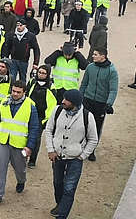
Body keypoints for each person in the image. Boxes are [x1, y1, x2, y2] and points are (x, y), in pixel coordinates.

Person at [45, 89, 98, 219]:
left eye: (66, 100)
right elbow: (48, 130)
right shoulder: (57, 111)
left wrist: (82, 156)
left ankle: (62, 215)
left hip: (75, 159)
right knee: (57, 183)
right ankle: (60, 205)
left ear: (74, 103)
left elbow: (93, 139)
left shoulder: (87, 117)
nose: (63, 101)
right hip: (57, 156)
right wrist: (51, 149)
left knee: (69, 188)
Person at [0, 81, 40, 207]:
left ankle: (21, 181)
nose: (15, 94)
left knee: (20, 168)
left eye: (18, 92)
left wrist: (29, 146)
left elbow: (34, 128)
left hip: (20, 144)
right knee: (0, 168)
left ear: (24, 93)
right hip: (3, 141)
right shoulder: (4, 102)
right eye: (13, 91)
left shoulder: (31, 106)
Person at [80, 47, 118, 161]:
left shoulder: (112, 71)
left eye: (95, 54)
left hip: (100, 103)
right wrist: (80, 97)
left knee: (96, 126)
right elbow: (84, 84)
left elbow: (113, 89)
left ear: (103, 56)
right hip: (87, 99)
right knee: (83, 124)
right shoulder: (90, 67)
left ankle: (91, 150)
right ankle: (81, 146)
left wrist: (109, 104)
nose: (93, 56)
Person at [25, 65, 56, 168]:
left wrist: (46, 120)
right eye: (39, 72)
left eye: (43, 73)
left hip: (41, 117)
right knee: (24, 136)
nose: (41, 75)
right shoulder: (32, 82)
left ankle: (32, 160)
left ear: (47, 75)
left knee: (36, 139)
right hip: (28, 114)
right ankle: (23, 156)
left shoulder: (51, 86)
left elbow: (53, 105)